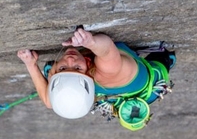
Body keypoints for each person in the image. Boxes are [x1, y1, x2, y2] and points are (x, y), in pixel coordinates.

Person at [17, 28, 175, 123]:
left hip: (110, 90)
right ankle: (167, 60)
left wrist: (31, 64)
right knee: (163, 61)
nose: (70, 59)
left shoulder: (74, 81)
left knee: (52, 71)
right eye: (77, 68)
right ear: (88, 73)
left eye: (63, 68)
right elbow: (107, 49)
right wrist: (90, 42)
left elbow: (49, 102)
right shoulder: (108, 69)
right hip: (146, 82)